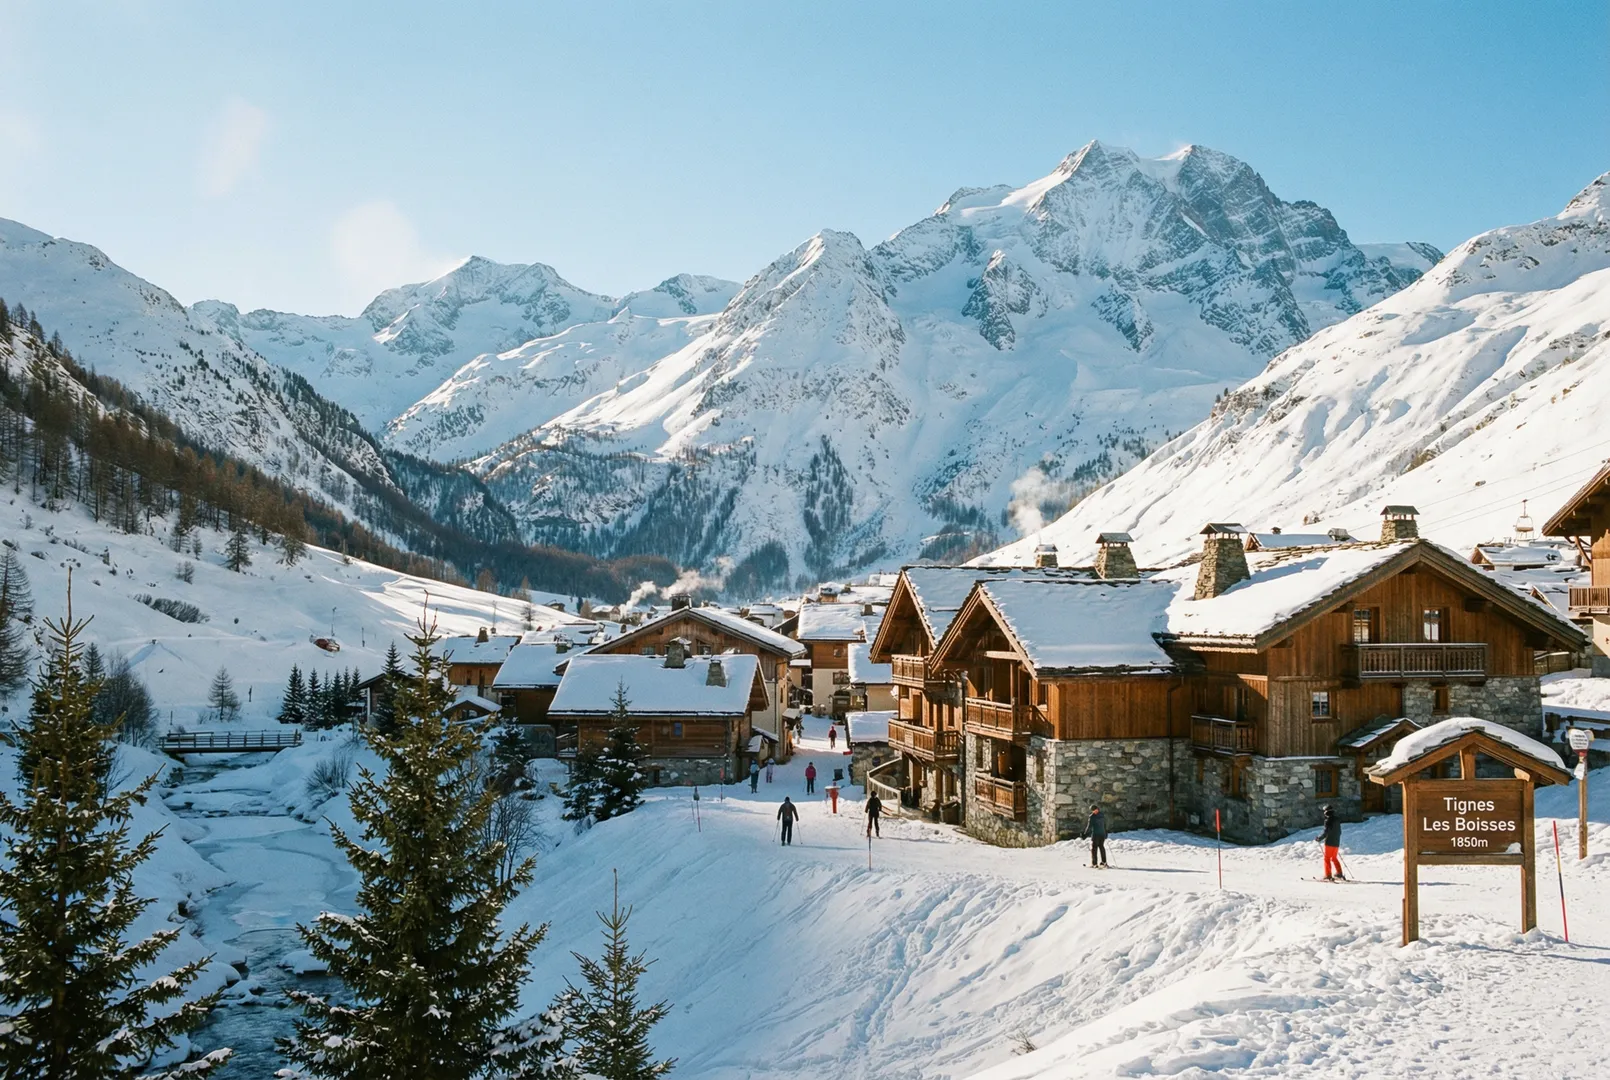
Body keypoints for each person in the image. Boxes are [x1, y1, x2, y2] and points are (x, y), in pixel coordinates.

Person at [1320, 805, 1344, 881]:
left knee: (1327, 858)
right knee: (1334, 858)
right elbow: (1339, 831)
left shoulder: (1328, 820)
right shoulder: (1337, 820)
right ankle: (1339, 873)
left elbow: (1326, 832)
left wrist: (1319, 838)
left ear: (1326, 812)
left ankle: (1328, 875)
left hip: (1329, 842)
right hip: (1336, 842)